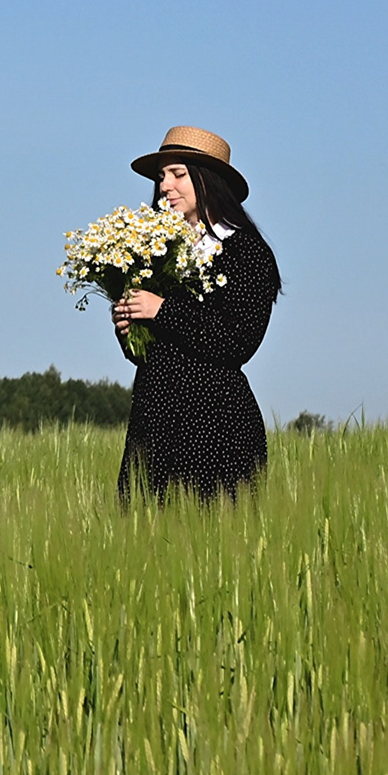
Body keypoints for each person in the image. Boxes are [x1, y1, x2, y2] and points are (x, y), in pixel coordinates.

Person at [110, 126, 282, 504]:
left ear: (207, 180)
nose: (164, 187)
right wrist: (128, 326)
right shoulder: (153, 254)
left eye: (177, 174)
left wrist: (162, 310)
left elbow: (239, 340)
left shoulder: (247, 253)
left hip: (215, 428)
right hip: (152, 425)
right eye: (161, 177)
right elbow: (147, 354)